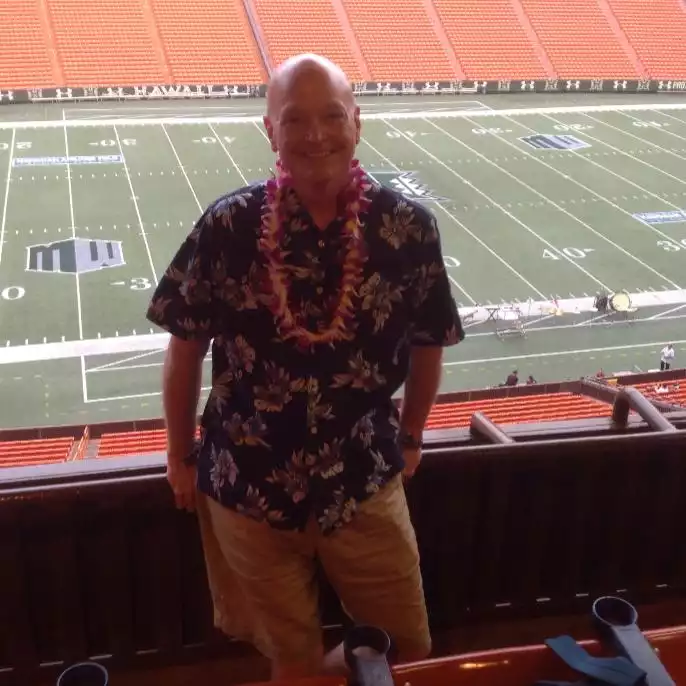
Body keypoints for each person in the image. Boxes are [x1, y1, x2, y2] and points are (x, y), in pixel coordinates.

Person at [145, 53, 463, 681]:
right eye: (294, 119)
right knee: (288, 660)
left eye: (332, 116)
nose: (316, 135)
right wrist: (179, 455)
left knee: (406, 646)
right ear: (271, 131)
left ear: (357, 122)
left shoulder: (407, 228)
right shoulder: (229, 225)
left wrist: (412, 436)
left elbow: (431, 343)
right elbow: (184, 349)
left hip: (364, 477)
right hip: (248, 487)